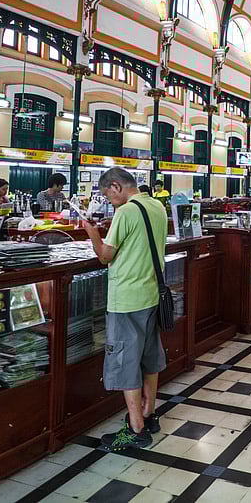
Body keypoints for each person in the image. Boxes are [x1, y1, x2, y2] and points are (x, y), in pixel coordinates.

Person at [82, 167, 168, 452]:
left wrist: (93, 234)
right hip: (151, 293)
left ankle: (136, 429)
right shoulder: (156, 205)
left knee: (125, 361)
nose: (109, 201)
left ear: (116, 186)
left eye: (108, 195)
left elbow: (105, 256)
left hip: (127, 299)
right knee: (148, 356)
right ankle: (148, 413)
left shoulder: (126, 212)